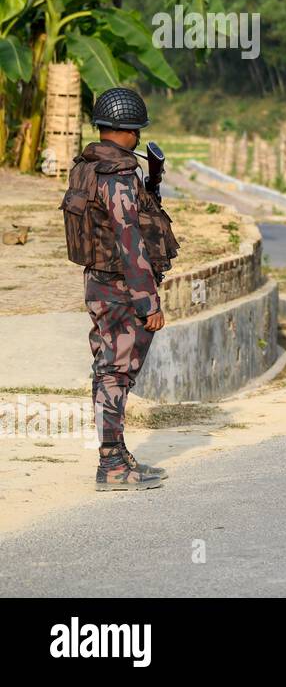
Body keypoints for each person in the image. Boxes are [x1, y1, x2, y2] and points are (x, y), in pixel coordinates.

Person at [60, 87, 178, 490]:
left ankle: (118, 455)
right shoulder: (118, 174)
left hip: (98, 281)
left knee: (108, 369)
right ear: (127, 131)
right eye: (137, 132)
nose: (138, 139)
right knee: (115, 373)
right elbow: (130, 237)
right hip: (122, 287)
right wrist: (149, 301)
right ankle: (111, 465)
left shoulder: (86, 167)